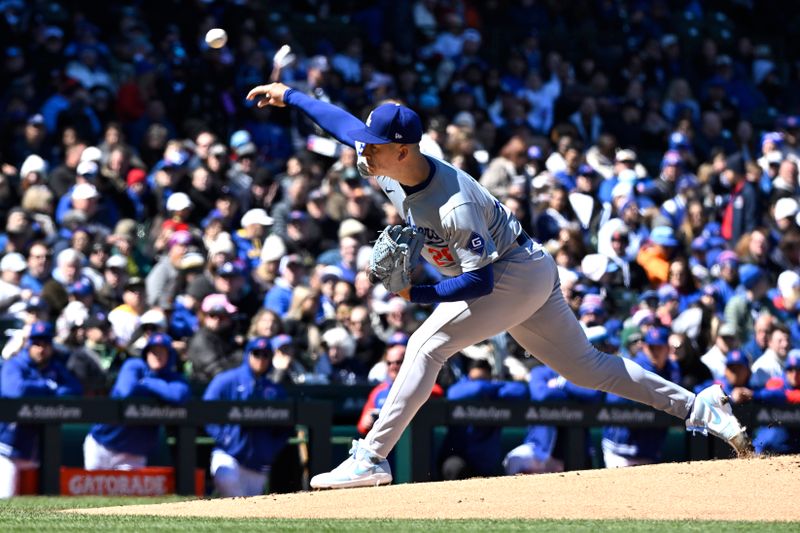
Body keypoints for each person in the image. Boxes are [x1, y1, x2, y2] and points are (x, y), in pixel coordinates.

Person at [246, 82, 752, 490]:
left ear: (402, 150)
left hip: (508, 272)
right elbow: (345, 127)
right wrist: (290, 95)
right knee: (588, 368)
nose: (365, 150)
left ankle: (371, 457)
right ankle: (700, 406)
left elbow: (479, 282)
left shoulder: (452, 204)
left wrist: (413, 296)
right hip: (528, 267)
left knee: (425, 344)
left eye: (376, 146)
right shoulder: (387, 164)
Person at [83, 333, 189, 470]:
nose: (157, 356)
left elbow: (178, 395)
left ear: (170, 355)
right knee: (92, 491)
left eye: (162, 351)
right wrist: (161, 391)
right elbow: (126, 392)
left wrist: (146, 382)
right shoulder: (134, 365)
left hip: (132, 454)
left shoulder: (173, 378)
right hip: (102, 444)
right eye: (153, 351)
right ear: (146, 353)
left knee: (126, 492)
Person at [0, 322, 82, 498]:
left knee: (42, 502)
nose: (41, 349)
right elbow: (14, 391)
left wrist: (47, 388)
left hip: (34, 450)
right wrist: (47, 387)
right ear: (29, 344)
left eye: (45, 344)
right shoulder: (15, 365)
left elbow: (75, 389)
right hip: (6, 446)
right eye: (37, 344)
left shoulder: (54, 367)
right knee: (5, 498)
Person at [202, 336, 291, 497]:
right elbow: (205, 411)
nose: (261, 359)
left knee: (251, 506)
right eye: (257, 353)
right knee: (226, 481)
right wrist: (224, 437)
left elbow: (286, 427)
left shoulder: (275, 390)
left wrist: (270, 449)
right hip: (228, 453)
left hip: (258, 461)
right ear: (248, 354)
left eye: (266, 355)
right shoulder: (227, 380)